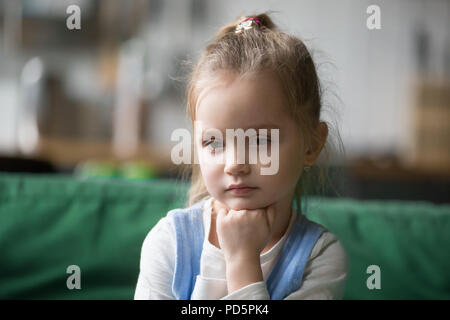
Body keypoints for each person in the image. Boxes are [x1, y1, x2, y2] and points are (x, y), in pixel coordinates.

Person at [135, 13, 348, 300]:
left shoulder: (319, 257)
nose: (235, 164)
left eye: (260, 141)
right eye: (214, 142)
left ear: (311, 145)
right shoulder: (168, 243)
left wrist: (242, 263)